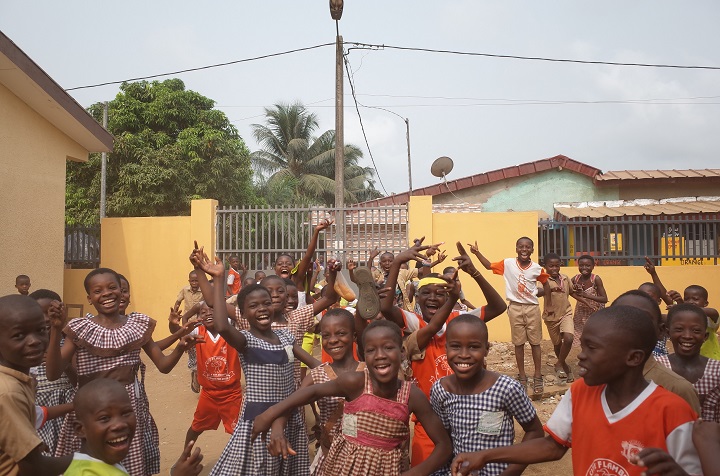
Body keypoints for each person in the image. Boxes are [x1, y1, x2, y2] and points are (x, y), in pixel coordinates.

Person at [450, 306, 702, 476]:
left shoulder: (673, 411)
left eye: (592, 348)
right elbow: (552, 446)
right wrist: (485, 456)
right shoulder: (581, 391)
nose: (580, 355)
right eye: (583, 346)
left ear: (633, 358)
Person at [45, 268, 198, 476]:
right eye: (98, 291)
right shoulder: (80, 328)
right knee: (91, 462)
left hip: (126, 407)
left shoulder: (137, 325)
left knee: (127, 459)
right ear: (89, 298)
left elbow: (163, 365)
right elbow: (53, 373)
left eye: (112, 287)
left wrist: (180, 347)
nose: (106, 293)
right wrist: (56, 330)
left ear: (121, 291)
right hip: (91, 408)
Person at [252, 320, 452, 476]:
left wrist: (413, 473)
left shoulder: (411, 395)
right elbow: (311, 392)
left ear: (402, 352)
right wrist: (270, 414)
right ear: (364, 356)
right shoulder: (356, 382)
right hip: (343, 467)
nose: (380, 355)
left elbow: (444, 446)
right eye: (371, 350)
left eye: (388, 348)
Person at [382, 241, 507, 467]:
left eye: (440, 293)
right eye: (426, 293)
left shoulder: (459, 322)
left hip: (464, 415)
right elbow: (386, 308)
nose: (432, 298)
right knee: (426, 468)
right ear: (417, 297)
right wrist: (398, 262)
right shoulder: (414, 323)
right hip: (428, 420)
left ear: (448, 296)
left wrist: (475, 272)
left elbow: (498, 307)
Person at [195, 253, 319, 476]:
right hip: (259, 418)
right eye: (254, 305)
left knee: (288, 467)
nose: (262, 308)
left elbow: (315, 366)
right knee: (259, 467)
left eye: (266, 303)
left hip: (288, 416)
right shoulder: (246, 341)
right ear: (243, 314)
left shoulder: (286, 338)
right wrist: (219, 277)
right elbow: (222, 326)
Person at [431, 315, 543, 476]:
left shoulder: (506, 388)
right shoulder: (440, 390)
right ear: (446, 348)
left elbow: (535, 431)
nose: (464, 354)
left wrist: (511, 472)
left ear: (486, 349)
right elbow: (445, 441)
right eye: (455, 346)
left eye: (473, 347)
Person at [277, 308, 364, 475]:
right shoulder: (317, 375)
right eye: (326, 335)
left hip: (364, 457)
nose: (333, 340)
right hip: (330, 456)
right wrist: (278, 427)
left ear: (354, 336)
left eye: (341, 333)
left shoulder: (367, 372)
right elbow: (292, 404)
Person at [0, 294, 73, 475]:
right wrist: (93, 459)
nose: (34, 341)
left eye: (41, 330)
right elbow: (34, 466)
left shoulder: (20, 380)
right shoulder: (9, 392)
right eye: (19, 335)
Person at [471, 237, 551, 395]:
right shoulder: (507, 264)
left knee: (535, 343)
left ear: (532, 250)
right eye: (521, 246)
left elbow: (546, 284)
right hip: (514, 308)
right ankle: (522, 376)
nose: (524, 249)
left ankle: (537, 376)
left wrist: (548, 305)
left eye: (527, 247)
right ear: (516, 249)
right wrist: (477, 253)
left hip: (532, 308)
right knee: (518, 343)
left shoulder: (537, 268)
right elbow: (488, 266)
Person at [612, 290, 702, 414]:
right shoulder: (591, 382)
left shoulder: (677, 389)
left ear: (661, 331)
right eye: (621, 317)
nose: (630, 325)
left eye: (642, 318)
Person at [170, 302, 243, 447]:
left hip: (232, 393)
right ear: (199, 317)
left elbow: (238, 316)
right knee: (196, 428)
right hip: (209, 394)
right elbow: (178, 333)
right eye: (203, 312)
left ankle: (243, 458)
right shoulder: (198, 332)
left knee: (240, 431)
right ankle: (186, 455)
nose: (208, 313)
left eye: (212, 310)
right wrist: (173, 324)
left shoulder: (230, 329)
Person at [28, 289, 75, 456]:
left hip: (67, 414)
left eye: (50, 312)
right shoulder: (28, 347)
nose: (46, 318)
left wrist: (64, 364)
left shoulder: (68, 343)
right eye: (39, 313)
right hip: (39, 415)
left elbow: (78, 381)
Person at [656, 303, 720, 422]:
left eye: (696, 330)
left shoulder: (717, 371)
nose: (687, 336)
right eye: (679, 329)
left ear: (705, 336)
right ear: (667, 333)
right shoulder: (658, 368)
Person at [541, 253, 574, 383]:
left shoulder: (565, 278)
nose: (554, 268)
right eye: (551, 266)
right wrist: (551, 289)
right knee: (557, 344)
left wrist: (585, 299)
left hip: (566, 313)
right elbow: (538, 292)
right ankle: (564, 366)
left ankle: (559, 364)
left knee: (569, 338)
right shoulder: (543, 280)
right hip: (551, 317)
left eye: (557, 266)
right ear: (545, 266)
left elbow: (572, 292)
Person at [668, 285, 720, 361]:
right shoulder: (683, 315)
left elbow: (714, 312)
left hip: (710, 358)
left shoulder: (709, 317)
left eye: (695, 299)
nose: (690, 302)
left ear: (705, 303)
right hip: (690, 359)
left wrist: (682, 306)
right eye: (686, 299)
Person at [175, 270, 205, 393]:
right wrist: (175, 312)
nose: (194, 283)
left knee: (202, 351)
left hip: (200, 324)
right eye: (192, 281)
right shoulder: (185, 290)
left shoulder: (203, 292)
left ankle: (200, 376)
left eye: (197, 281)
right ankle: (195, 372)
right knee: (192, 351)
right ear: (189, 281)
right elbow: (178, 301)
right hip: (188, 324)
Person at [569, 255, 607, 347]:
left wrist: (586, 295)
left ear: (593, 266)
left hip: (594, 311)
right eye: (581, 265)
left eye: (588, 265)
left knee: (594, 336)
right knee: (579, 336)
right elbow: (568, 290)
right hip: (581, 312)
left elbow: (604, 299)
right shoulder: (576, 278)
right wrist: (575, 289)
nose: (584, 268)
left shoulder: (595, 279)